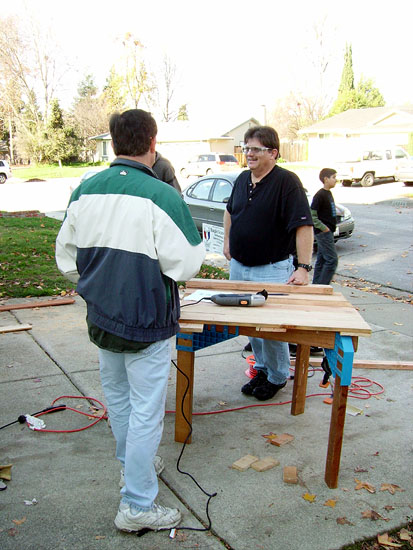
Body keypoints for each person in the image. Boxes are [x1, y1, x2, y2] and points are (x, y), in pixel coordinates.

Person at [55, 109, 205, 534]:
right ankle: (137, 503)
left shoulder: (85, 191)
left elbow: (66, 259)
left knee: (120, 401)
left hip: (102, 318)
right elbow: (186, 264)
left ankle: (132, 467)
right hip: (146, 321)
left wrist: (100, 285)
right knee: (144, 413)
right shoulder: (161, 195)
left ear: (114, 142)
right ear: (153, 144)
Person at [223, 125, 314, 401]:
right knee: (252, 327)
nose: (249, 154)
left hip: (272, 269)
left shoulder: (287, 183)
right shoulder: (242, 179)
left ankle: (277, 377)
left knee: (272, 330)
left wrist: (303, 268)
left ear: (273, 153)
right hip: (240, 266)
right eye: (246, 148)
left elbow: (304, 226)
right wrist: (227, 242)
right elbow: (229, 211)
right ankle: (262, 369)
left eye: (255, 149)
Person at [311, 168, 339, 285]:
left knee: (322, 260)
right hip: (323, 233)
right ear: (326, 179)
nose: (336, 180)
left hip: (328, 232)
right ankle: (323, 286)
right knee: (332, 260)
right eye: (334, 177)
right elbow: (312, 216)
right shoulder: (320, 195)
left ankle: (316, 286)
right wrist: (324, 228)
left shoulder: (328, 193)